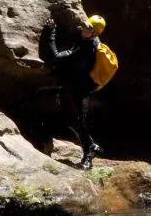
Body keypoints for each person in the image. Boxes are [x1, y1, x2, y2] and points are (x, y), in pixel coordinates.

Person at [43, 15, 107, 170]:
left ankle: (89, 155)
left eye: (88, 28)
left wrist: (51, 32)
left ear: (94, 34)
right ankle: (92, 145)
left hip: (79, 89)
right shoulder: (84, 40)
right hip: (70, 86)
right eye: (84, 25)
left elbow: (56, 57)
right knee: (71, 119)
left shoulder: (85, 49)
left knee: (79, 122)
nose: (83, 28)